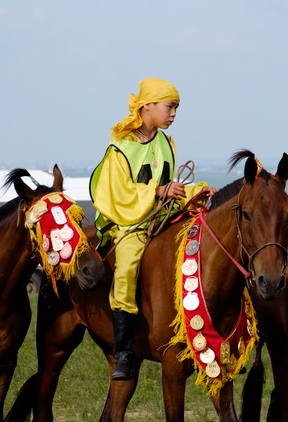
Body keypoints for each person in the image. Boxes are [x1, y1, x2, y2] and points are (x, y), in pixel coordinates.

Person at [90, 78, 215, 380]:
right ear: (148, 106)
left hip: (162, 216)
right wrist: (157, 192)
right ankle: (124, 352)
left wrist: (197, 190)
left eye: (176, 108)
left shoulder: (165, 143)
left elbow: (173, 185)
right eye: (170, 107)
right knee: (128, 265)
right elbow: (115, 192)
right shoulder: (119, 148)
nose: (174, 114)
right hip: (130, 221)